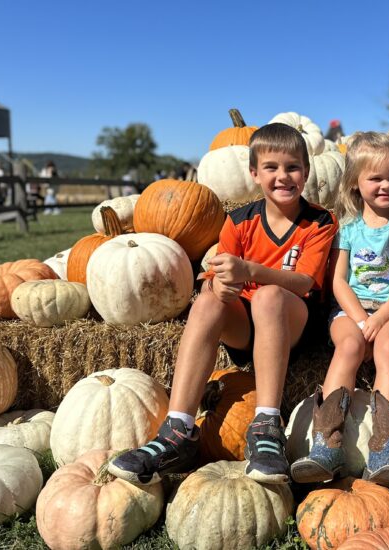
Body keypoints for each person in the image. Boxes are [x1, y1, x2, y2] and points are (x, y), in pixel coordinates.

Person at [109, 123, 338, 485]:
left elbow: (305, 281)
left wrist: (249, 270)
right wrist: (223, 285)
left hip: (293, 323)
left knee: (270, 295)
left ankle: (266, 427)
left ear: (306, 172)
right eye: (271, 168)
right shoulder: (239, 221)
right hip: (247, 326)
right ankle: (178, 429)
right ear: (254, 174)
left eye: (293, 167)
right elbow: (220, 278)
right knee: (206, 302)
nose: (283, 176)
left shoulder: (320, 221)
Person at [290, 132, 389, 490]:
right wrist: (361, 319)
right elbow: (338, 281)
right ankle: (327, 443)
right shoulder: (347, 228)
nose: (386, 185)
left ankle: (384, 449)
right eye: (376, 178)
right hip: (350, 311)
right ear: (355, 182)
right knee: (350, 346)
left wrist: (381, 319)